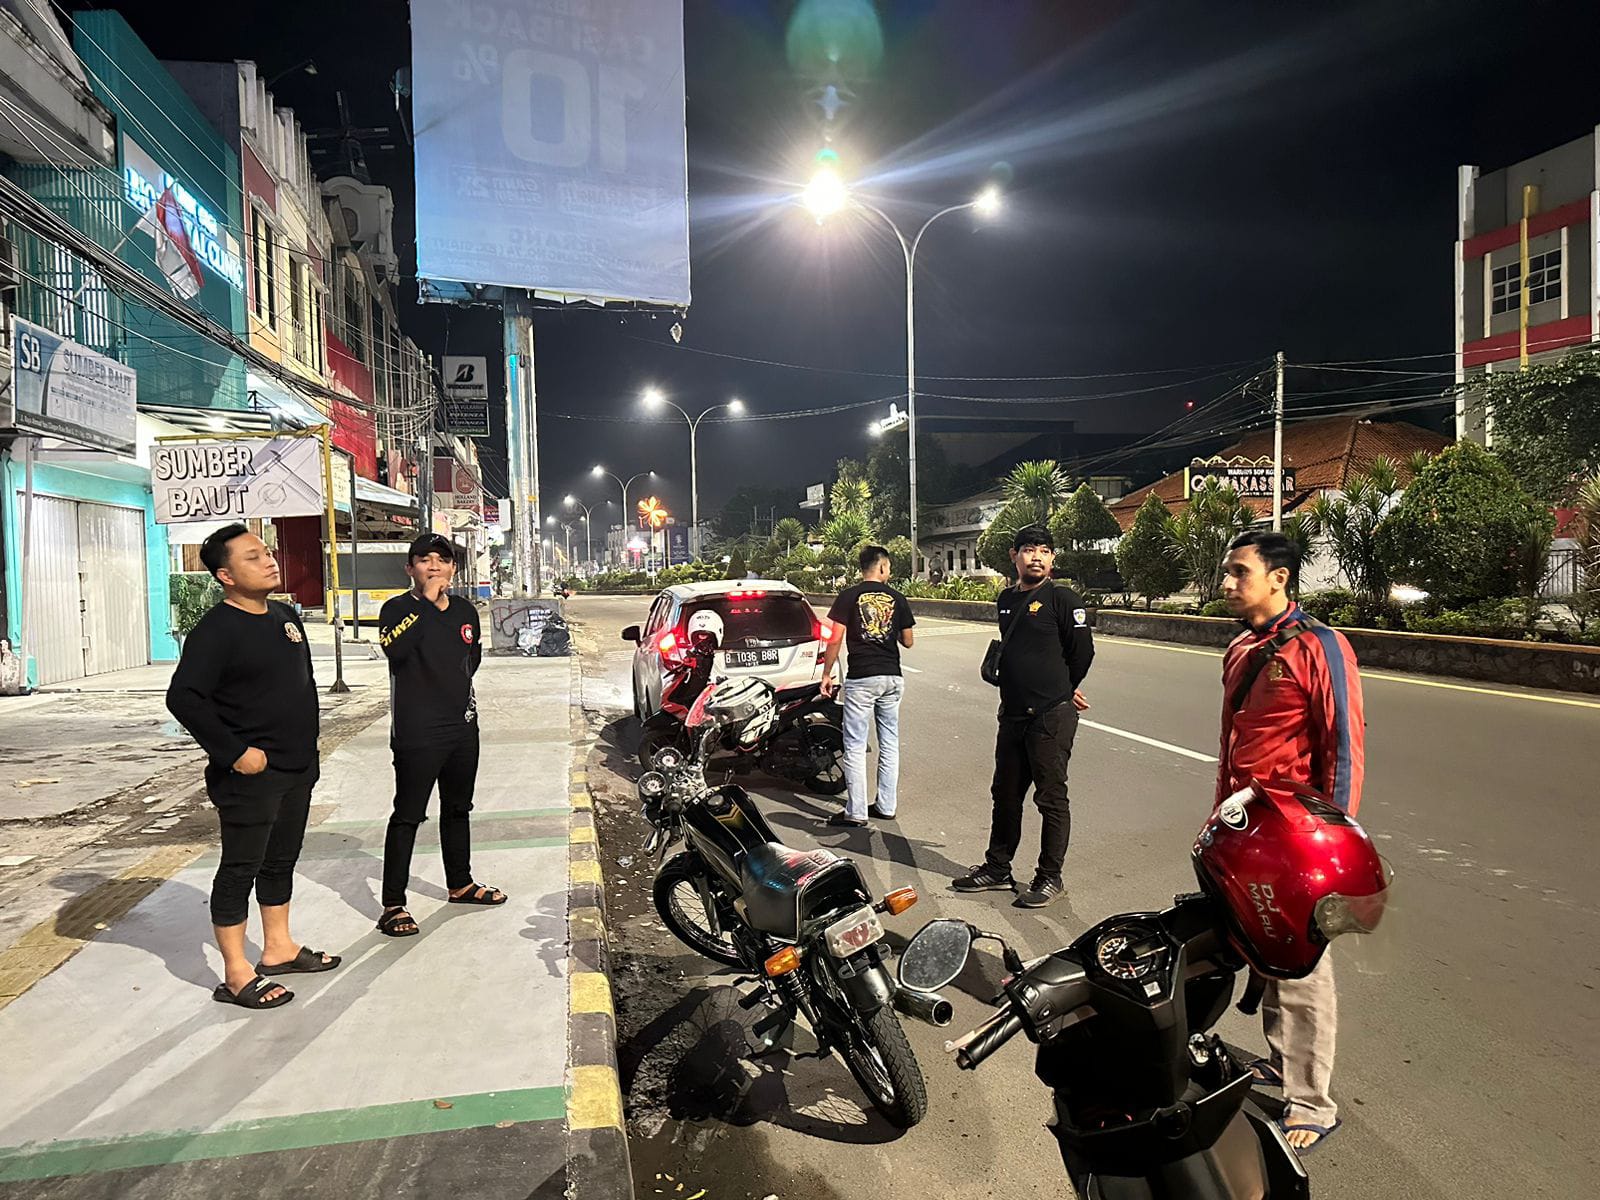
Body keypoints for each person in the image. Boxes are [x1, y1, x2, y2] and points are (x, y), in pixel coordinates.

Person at [1215, 529, 1366, 1154]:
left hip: (1297, 839)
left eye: (1239, 571)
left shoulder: (1320, 646)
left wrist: (1330, 847)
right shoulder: (1241, 647)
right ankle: (1281, 1064)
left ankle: (1311, 1102)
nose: (1227, 582)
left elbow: (1344, 748)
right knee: (1266, 955)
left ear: (1279, 578)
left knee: (1302, 968)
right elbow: (1232, 747)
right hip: (1247, 833)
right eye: (1226, 571)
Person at [166, 524, 339, 1011]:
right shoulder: (216, 630)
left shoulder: (285, 616)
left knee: (281, 860)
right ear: (225, 575)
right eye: (252, 557)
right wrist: (234, 752)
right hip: (250, 776)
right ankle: (237, 971)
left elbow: (299, 683)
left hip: (296, 766)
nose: (269, 560)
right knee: (240, 867)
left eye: (267, 552)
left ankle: (278, 948)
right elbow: (184, 698)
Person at [953, 525, 1093, 908]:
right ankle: (998, 868)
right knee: (1005, 795)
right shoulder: (1006, 599)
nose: (1037, 557)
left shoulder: (1062, 598)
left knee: (1051, 798)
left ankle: (1050, 877)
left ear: (1052, 558)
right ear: (1014, 556)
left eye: (1044, 550)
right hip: (1012, 715)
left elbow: (1082, 652)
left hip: (1050, 717)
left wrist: (1063, 689)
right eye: (1029, 549)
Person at [375, 533, 506, 937]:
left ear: (453, 568)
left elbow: (471, 658)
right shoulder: (397, 609)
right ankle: (393, 904)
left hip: (462, 727)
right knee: (408, 815)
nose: (434, 566)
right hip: (417, 732)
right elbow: (395, 650)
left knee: (458, 808)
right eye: (424, 559)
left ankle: (460, 884)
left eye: (442, 559)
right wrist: (427, 604)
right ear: (409, 568)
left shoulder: (465, 610)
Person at [819, 544, 916, 828]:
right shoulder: (897, 598)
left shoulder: (848, 596)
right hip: (892, 677)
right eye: (889, 567)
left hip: (862, 677)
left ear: (862, 568)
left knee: (855, 744)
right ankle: (886, 805)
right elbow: (908, 641)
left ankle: (857, 811)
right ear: (882, 567)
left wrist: (827, 673)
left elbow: (835, 638)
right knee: (889, 742)